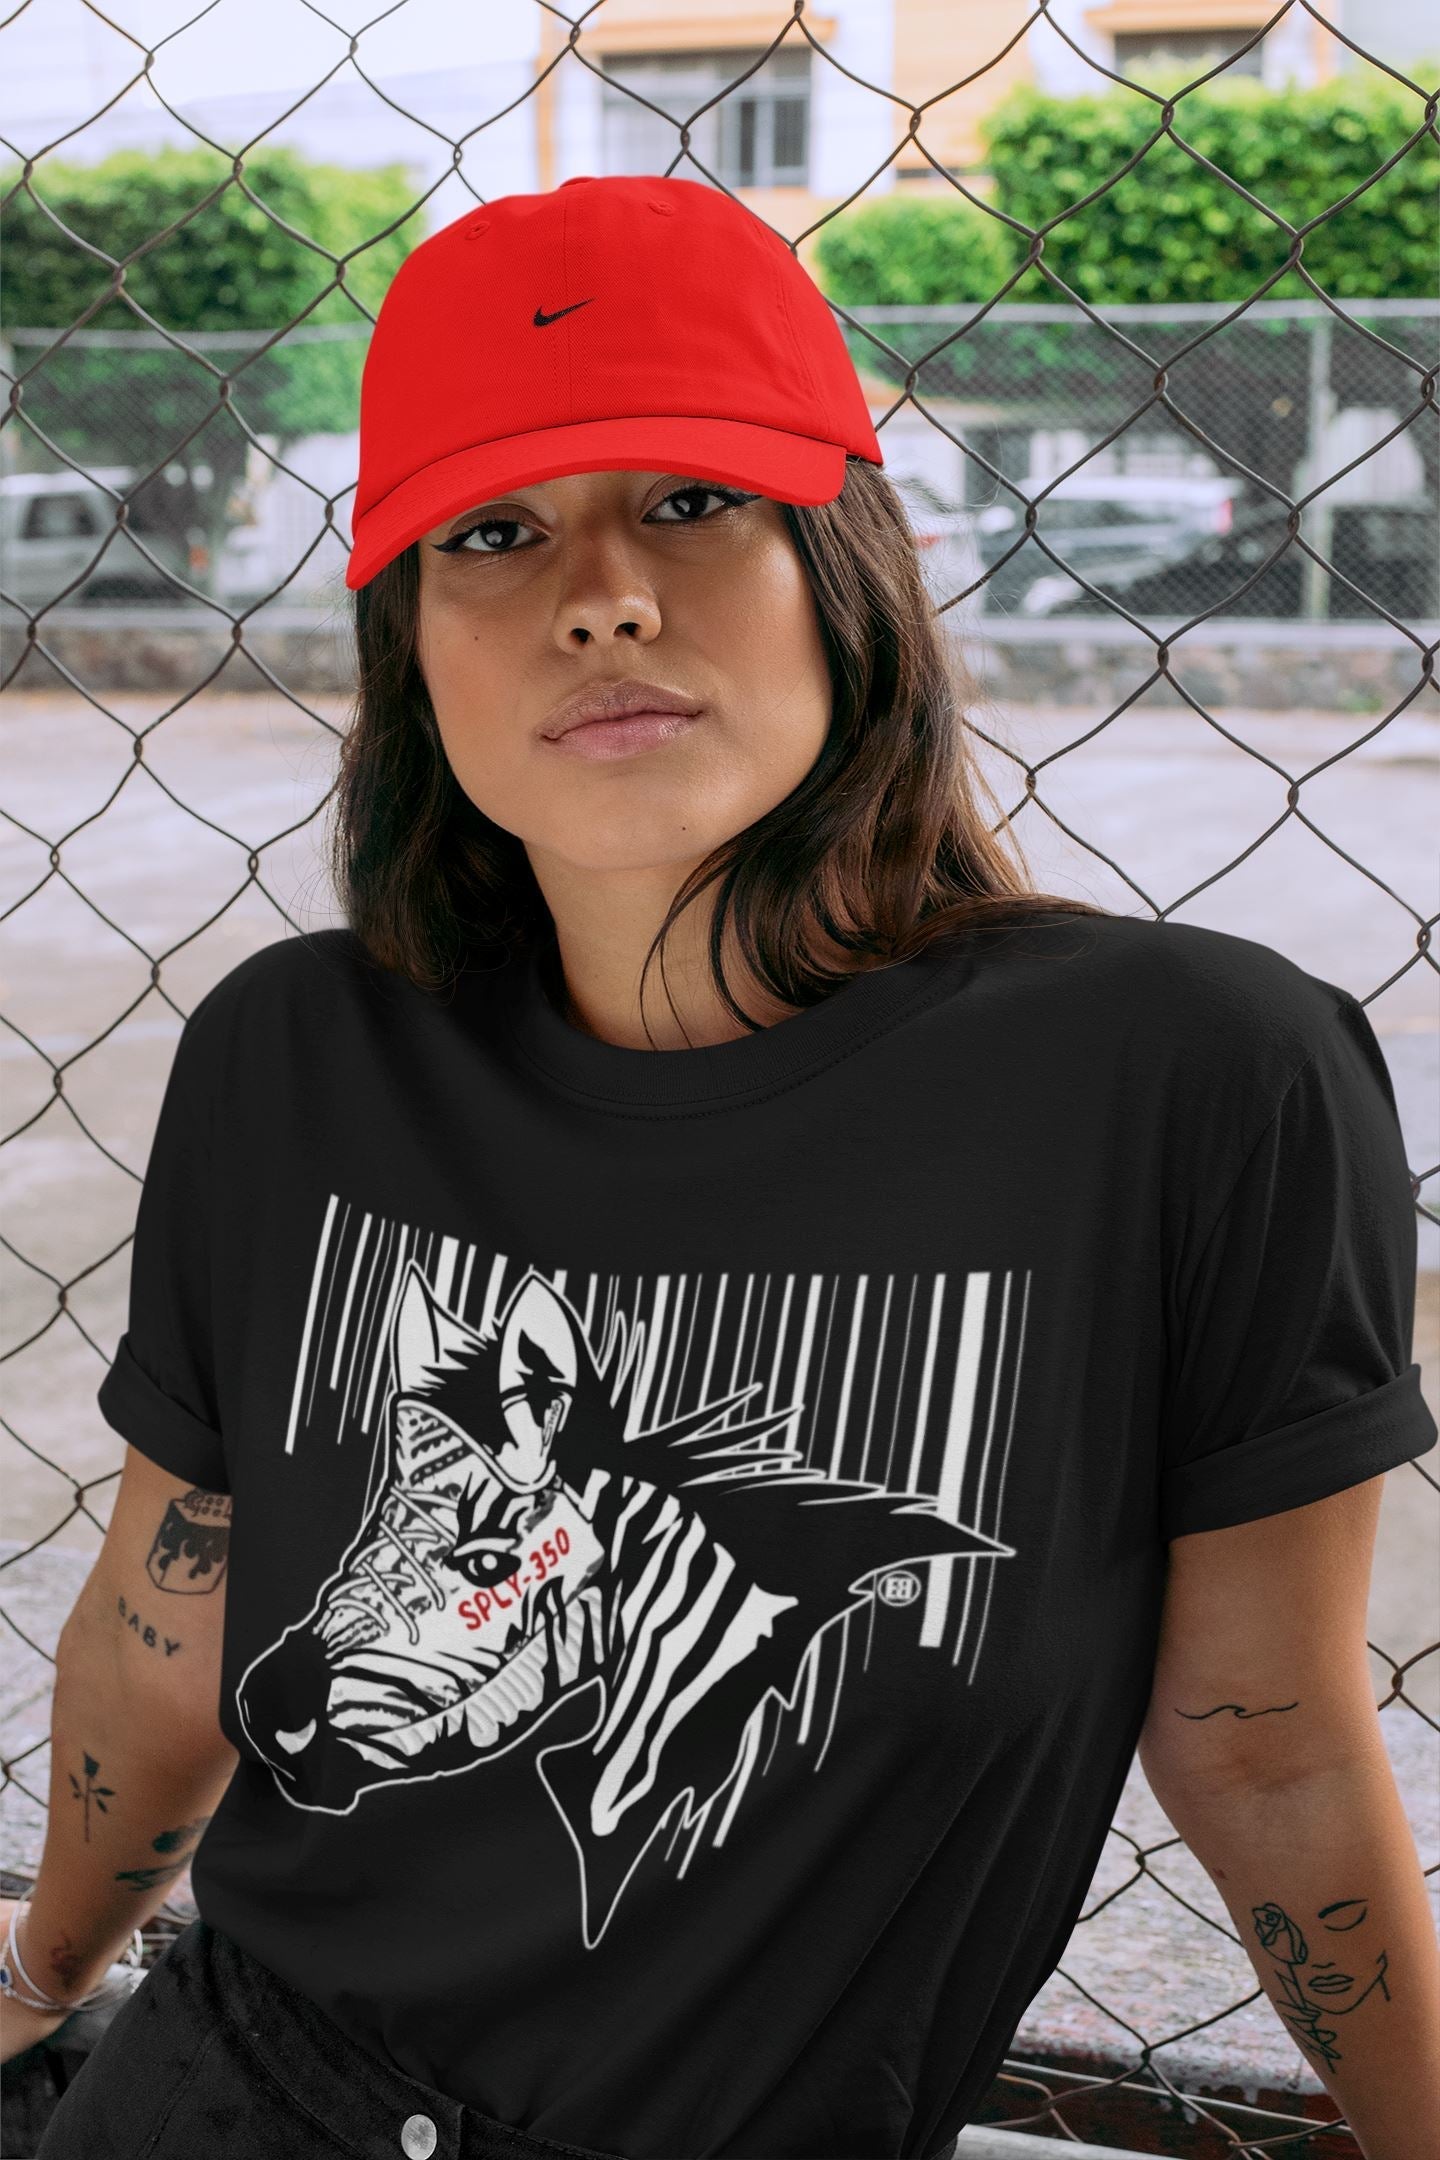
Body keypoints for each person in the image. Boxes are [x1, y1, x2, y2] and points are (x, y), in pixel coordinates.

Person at [5, 172, 1437, 2160]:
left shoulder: (1196, 1079)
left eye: (689, 499)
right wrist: (34, 1988)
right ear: (413, 645)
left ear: (847, 569)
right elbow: (168, 1632)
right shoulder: (296, 1054)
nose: (601, 596)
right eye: (493, 532)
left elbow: (1266, 1748)